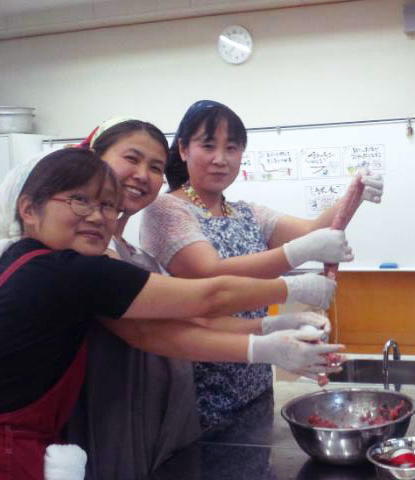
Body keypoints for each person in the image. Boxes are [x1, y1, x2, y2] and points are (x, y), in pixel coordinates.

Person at [0, 148, 339, 480]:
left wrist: (265, 339)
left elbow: (149, 332)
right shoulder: (71, 270)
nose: (97, 216)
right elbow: (208, 295)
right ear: (28, 209)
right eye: (79, 200)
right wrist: (293, 286)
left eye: (108, 205)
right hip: (11, 444)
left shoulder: (26, 259)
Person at [140, 100, 384, 430]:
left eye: (232, 148)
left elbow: (313, 230)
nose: (220, 159)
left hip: (255, 376)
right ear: (183, 149)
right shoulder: (167, 209)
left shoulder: (247, 212)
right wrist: (295, 260)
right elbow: (209, 273)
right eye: (208, 146)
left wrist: (353, 194)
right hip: (197, 384)